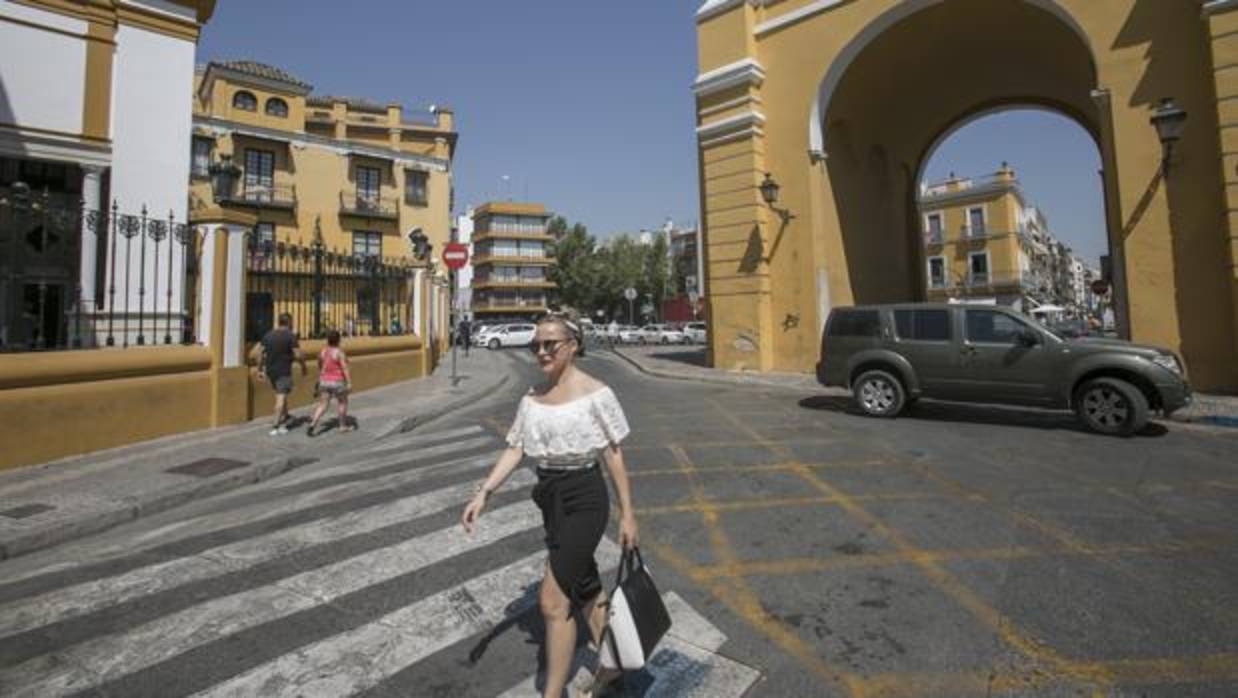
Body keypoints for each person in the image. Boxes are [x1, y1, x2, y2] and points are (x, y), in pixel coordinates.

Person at [461, 311, 636, 698]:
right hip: (550, 497)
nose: (541, 351)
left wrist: (628, 515)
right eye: (536, 344)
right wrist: (484, 492)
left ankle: (552, 694)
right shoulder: (532, 398)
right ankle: (614, 664)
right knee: (587, 585)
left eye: (549, 344)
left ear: (572, 346)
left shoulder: (596, 393)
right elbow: (516, 448)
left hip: (585, 496)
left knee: (553, 602)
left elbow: (613, 456)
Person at [258, 312, 306, 436]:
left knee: (281, 394)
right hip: (283, 370)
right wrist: (303, 364)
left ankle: (286, 416)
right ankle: (276, 425)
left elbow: (260, 354)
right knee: (280, 397)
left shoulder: (268, 335)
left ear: (278, 322)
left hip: (270, 371)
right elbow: (297, 355)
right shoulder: (290, 336)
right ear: (289, 322)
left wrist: (260, 369)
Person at [307, 330, 352, 437]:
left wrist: (322, 374)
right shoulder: (339, 352)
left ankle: (313, 423)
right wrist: (349, 382)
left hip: (324, 381)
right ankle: (342, 426)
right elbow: (345, 368)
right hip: (337, 381)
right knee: (342, 402)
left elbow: (319, 364)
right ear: (338, 340)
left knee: (323, 404)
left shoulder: (323, 351)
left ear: (328, 340)